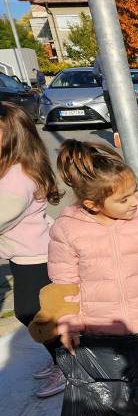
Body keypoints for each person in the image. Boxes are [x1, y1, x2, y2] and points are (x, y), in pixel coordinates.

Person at [49, 140, 138, 345]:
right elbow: (64, 284)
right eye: (123, 199)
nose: (135, 201)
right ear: (93, 205)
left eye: (135, 191)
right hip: (98, 330)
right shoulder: (68, 230)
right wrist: (69, 325)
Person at [0, 102, 65, 398]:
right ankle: (61, 358)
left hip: (34, 257)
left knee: (33, 313)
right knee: (39, 313)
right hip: (27, 252)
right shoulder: (17, 168)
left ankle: (67, 364)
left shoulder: (16, 178)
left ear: (13, 137)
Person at [92, 54, 121, 149]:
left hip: (107, 88)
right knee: (122, 110)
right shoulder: (115, 53)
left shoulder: (99, 56)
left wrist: (100, 82)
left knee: (112, 112)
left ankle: (116, 132)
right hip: (119, 88)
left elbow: (95, 73)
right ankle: (125, 131)